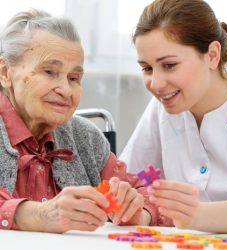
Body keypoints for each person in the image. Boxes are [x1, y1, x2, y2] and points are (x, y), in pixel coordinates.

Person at [0, 9, 154, 233]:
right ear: (5, 72)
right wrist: (37, 215)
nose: (65, 90)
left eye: (74, 78)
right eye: (49, 71)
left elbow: (147, 195)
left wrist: (136, 211)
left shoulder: (87, 138)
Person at [119, 0, 227, 233]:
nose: (156, 84)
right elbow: (130, 179)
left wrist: (194, 215)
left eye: (169, 65)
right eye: (147, 69)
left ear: (212, 55)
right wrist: (131, 207)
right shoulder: (163, 107)